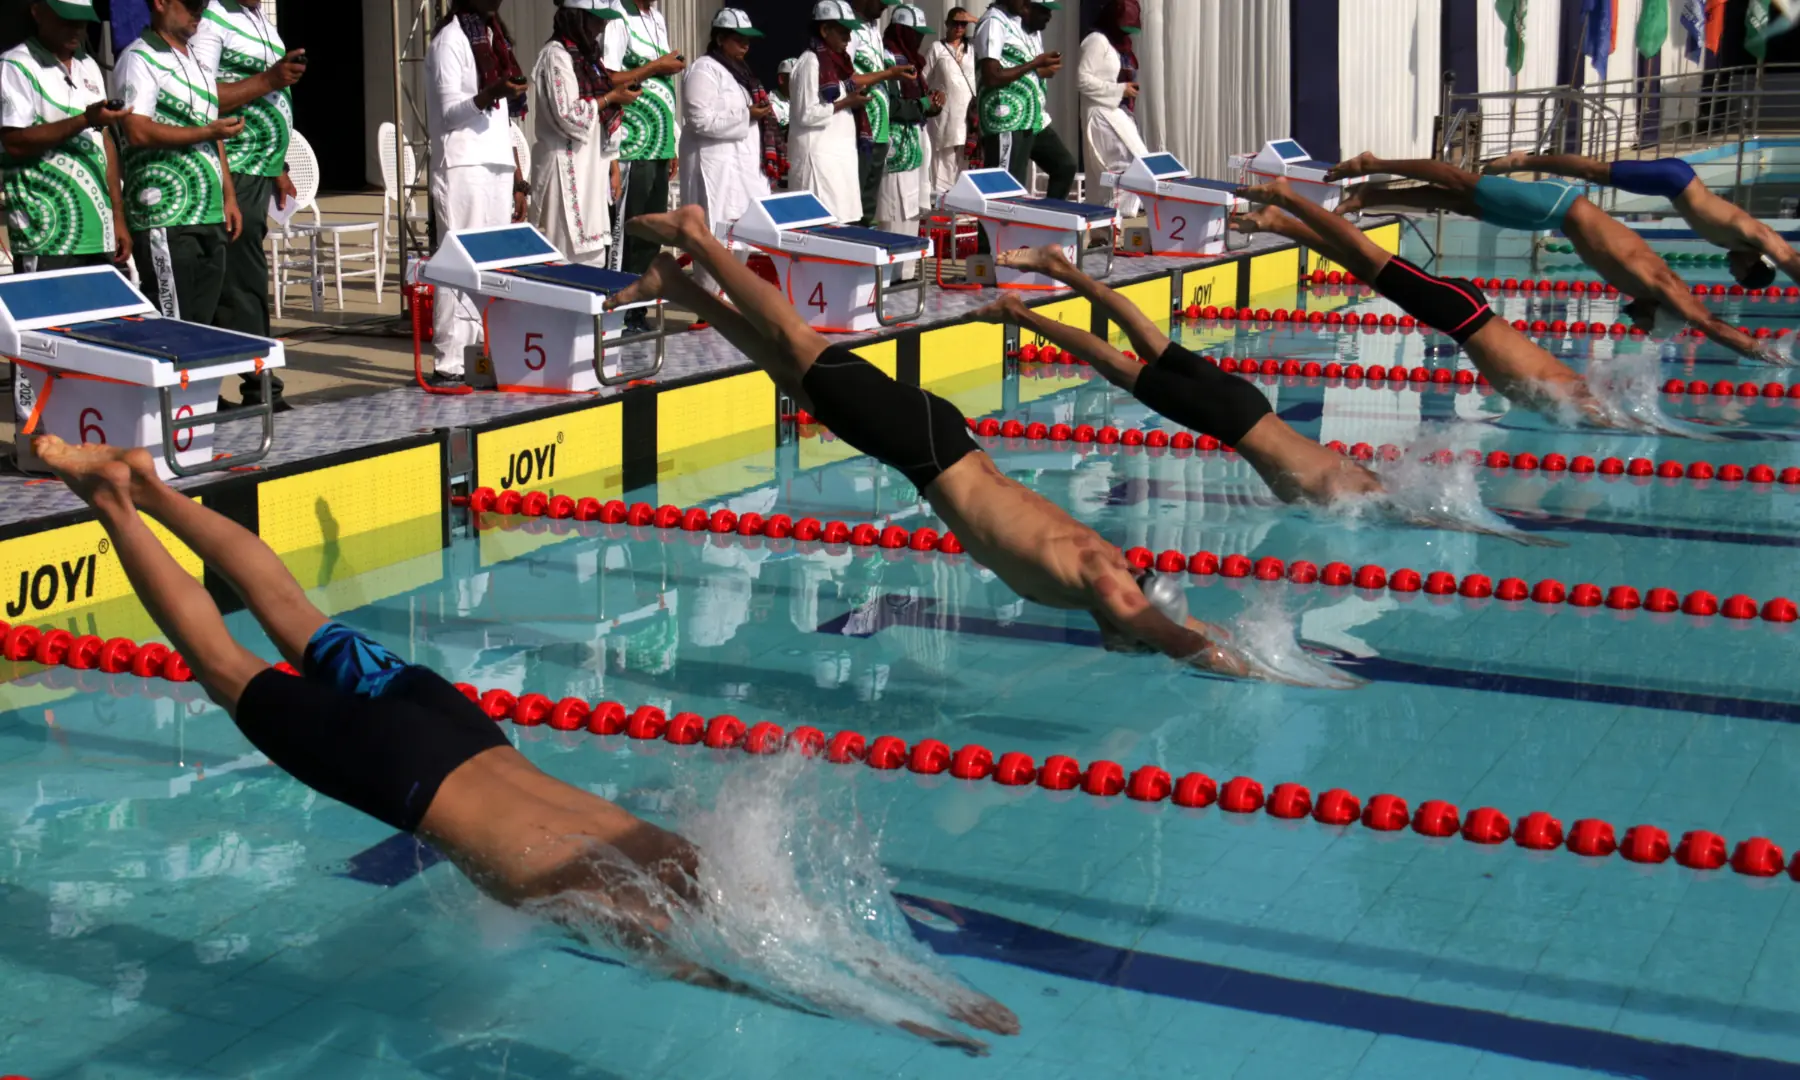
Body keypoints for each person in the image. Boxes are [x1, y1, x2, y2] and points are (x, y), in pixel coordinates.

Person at [27, 432, 1017, 1055]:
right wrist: (897, 1014)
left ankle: (152, 488)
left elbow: (796, 929)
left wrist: (920, 993)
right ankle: (108, 500)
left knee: (285, 606)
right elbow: (755, 959)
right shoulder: (641, 889)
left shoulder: (667, 855)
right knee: (217, 658)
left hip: (455, 725)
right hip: (403, 768)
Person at [602, 205, 1345, 686]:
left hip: (934, 445)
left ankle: (684, 287)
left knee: (790, 377)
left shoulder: (1105, 580)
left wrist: (1234, 638)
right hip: (926, 448)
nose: (1130, 641)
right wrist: (1271, 677)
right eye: (1135, 631)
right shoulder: (1106, 584)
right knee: (797, 343)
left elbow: (1177, 624)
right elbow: (1179, 639)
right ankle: (700, 239)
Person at [974, 246, 1562, 544]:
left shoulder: (1359, 476)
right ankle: (1017, 311)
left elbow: (1411, 500)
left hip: (1249, 402)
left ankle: (1063, 268)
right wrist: (1482, 530)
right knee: (1112, 364)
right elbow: (1407, 510)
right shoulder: (1353, 494)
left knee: (1148, 338)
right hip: (1230, 419)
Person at [1235, 177, 1691, 434]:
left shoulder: (1578, 393)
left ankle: (1284, 222)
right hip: (1460, 314)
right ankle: (1286, 197)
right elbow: (1615, 420)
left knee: (1362, 264)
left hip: (1462, 314)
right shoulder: (1582, 398)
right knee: (1367, 254)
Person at [1327, 153, 1785, 366]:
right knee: (1461, 182)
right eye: (1645, 326)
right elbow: (1709, 324)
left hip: (1554, 219)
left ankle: (1370, 195)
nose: (1636, 327)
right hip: (1559, 205)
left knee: (1461, 203)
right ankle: (1374, 163)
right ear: (1661, 313)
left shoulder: (1645, 290)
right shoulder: (1665, 286)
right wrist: (1760, 351)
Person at [191, 0, 305, 412]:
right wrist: (270, 79)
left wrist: (279, 165)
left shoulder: (259, 19)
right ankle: (256, 389)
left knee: (239, 282)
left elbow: (271, 103)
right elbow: (200, 98)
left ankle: (240, 388)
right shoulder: (209, 23)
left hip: (258, 169)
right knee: (238, 283)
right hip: (231, 169)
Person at [1485, 150, 1800, 290]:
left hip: (1671, 185)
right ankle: (1522, 160)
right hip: (1674, 180)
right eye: (1737, 274)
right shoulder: (1756, 235)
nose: (1731, 271)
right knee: (1594, 172)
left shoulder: (1740, 241)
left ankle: (1524, 161)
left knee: (1595, 173)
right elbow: (1788, 257)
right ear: (1750, 266)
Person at [113, 0, 244, 327]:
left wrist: (228, 196)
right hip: (166, 214)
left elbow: (213, 130)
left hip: (209, 211)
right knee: (175, 326)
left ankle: (196, 380)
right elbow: (137, 130)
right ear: (160, 3)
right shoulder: (138, 57)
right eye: (190, 4)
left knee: (203, 324)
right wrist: (205, 131)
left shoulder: (196, 60)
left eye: (202, 4)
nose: (198, 11)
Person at [425, 0, 531, 388]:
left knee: (492, 267)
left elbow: (506, 122)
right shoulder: (449, 41)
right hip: (462, 164)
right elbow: (450, 112)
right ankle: (449, 361)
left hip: (497, 164)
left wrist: (518, 177)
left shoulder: (494, 39)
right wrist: (490, 93)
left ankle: (483, 355)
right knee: (458, 263)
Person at [0, 0, 130, 275]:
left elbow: (104, 143)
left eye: (82, 22)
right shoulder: (15, 65)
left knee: (104, 317)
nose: (76, 29)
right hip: (45, 237)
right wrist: (85, 119)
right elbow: (14, 142)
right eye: (66, 19)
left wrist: (117, 217)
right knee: (51, 319)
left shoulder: (89, 65)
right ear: (37, 11)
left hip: (98, 233)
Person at [530, 0, 637, 268]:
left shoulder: (590, 59)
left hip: (591, 169)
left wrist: (612, 163)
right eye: (595, 18)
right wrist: (610, 97)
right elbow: (567, 115)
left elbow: (603, 120)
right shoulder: (556, 55)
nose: (601, 26)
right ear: (576, 18)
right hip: (564, 168)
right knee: (563, 257)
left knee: (592, 256)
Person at [788, 3, 906, 226]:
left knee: (841, 226)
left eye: (850, 31)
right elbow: (807, 114)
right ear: (824, 31)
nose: (848, 36)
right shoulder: (810, 63)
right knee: (820, 229)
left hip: (838, 162)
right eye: (842, 31)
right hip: (818, 163)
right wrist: (846, 102)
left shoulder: (838, 65)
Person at [602, 0, 685, 307]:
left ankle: (639, 310)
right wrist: (656, 66)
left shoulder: (657, 18)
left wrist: (672, 139)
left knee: (652, 233)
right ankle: (619, 309)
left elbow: (662, 87)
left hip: (659, 144)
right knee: (629, 233)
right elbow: (608, 77)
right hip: (631, 145)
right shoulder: (617, 14)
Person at [679, 7, 773, 266]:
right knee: (713, 246)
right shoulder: (704, 70)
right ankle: (712, 303)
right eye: (737, 38)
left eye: (747, 39)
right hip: (714, 171)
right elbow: (699, 120)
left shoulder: (741, 74)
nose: (745, 44)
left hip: (740, 173)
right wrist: (747, 115)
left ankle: (731, 303)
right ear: (720, 39)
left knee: (739, 247)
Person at [974, 0, 1071, 200]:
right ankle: (993, 232)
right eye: (1043, 11)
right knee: (1003, 190)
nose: (1049, 17)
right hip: (1006, 120)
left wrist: (1041, 70)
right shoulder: (994, 22)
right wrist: (1035, 63)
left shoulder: (1026, 28)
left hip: (1032, 118)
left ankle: (1048, 227)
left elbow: (1019, 67)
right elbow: (992, 76)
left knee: (1064, 166)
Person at [877, 6, 942, 250]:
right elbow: (889, 105)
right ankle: (890, 277)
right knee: (894, 209)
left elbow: (917, 99)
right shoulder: (887, 59)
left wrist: (931, 105)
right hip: (896, 145)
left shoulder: (914, 61)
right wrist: (921, 105)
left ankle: (905, 273)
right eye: (915, 34)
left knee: (912, 209)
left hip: (915, 141)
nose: (919, 39)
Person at [1078, 0, 1147, 217]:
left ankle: (1118, 217)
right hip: (1099, 113)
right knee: (1112, 168)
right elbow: (1082, 80)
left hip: (1115, 110)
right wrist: (1119, 89)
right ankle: (1108, 221)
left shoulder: (1116, 45)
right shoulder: (1095, 41)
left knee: (1141, 161)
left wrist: (1123, 91)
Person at [847, 0, 908, 227]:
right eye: (881, 1)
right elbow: (848, 79)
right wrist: (887, 74)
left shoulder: (874, 29)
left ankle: (865, 255)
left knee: (868, 205)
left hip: (880, 129)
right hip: (861, 128)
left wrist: (892, 75)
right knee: (855, 203)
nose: (885, 6)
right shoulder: (850, 29)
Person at [922, 7, 977, 199]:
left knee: (965, 164)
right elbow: (922, 79)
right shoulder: (937, 48)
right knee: (944, 164)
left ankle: (962, 212)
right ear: (947, 24)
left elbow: (994, 40)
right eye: (955, 23)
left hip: (968, 117)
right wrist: (933, 95)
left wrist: (973, 19)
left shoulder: (972, 49)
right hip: (945, 116)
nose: (959, 27)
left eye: (963, 24)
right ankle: (941, 218)